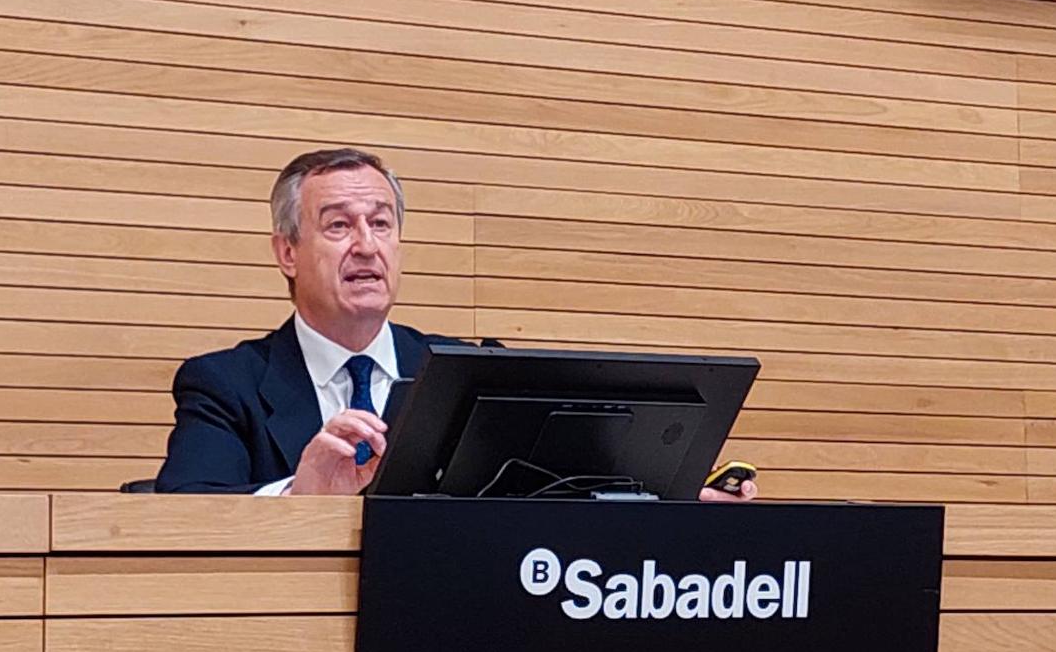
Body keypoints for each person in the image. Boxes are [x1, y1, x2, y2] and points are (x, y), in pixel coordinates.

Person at [156, 148, 757, 501]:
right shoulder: (226, 384)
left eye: (382, 224)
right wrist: (298, 493)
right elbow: (181, 516)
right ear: (287, 252)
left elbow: (557, 492)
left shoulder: (469, 374)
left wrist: (674, 506)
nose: (367, 245)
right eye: (338, 225)